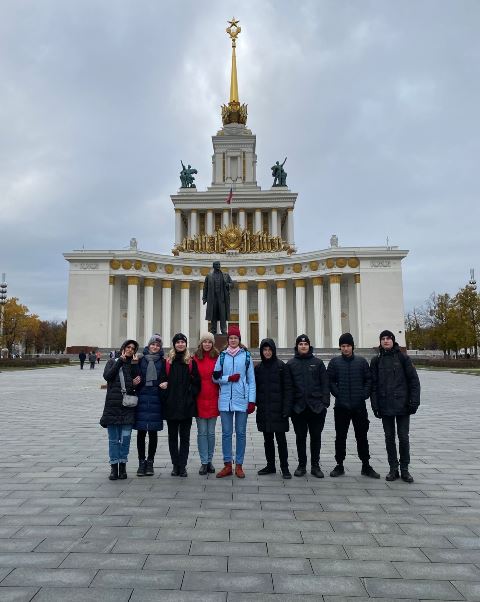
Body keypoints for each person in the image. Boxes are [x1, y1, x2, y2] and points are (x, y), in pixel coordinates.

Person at [370, 330, 421, 483]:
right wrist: (375, 405)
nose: (385, 341)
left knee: (403, 437)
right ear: (380, 342)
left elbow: (414, 381)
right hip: (385, 406)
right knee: (389, 438)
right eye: (383, 339)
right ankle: (393, 468)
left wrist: (414, 402)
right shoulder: (376, 360)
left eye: (388, 339)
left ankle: (405, 469)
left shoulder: (403, 358)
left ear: (393, 341)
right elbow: (373, 385)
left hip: (403, 405)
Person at [327, 333, 379, 479]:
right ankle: (339, 465)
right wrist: (338, 393)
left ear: (352, 347)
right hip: (341, 406)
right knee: (340, 437)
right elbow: (329, 380)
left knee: (362, 436)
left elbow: (369, 380)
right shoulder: (334, 363)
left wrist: (363, 394)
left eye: (348, 346)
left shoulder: (361, 362)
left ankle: (366, 465)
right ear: (340, 348)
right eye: (343, 346)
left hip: (359, 406)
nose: (345, 349)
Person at [213, 325, 256, 478]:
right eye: (231, 338)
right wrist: (228, 379)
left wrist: (252, 401)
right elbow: (215, 377)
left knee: (241, 433)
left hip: (242, 400)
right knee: (226, 433)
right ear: (228, 340)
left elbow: (251, 380)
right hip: (225, 401)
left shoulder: (246, 356)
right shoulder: (222, 356)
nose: (233, 340)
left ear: (239, 340)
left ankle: (239, 465)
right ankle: (227, 465)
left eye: (235, 338)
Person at [287, 334, 330, 478]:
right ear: (297, 346)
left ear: (309, 346)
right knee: (300, 438)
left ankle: (315, 466)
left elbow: (325, 384)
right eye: (300, 344)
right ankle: (301, 465)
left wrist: (325, 403)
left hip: (316, 408)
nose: (303, 346)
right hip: (298, 408)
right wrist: (291, 406)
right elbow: (288, 387)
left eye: (305, 344)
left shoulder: (318, 363)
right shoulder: (291, 364)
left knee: (316, 437)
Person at [100, 339, 141, 480]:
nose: (130, 350)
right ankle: (114, 467)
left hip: (127, 407)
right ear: (123, 348)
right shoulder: (112, 361)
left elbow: (137, 383)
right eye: (128, 347)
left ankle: (122, 465)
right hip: (113, 407)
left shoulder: (134, 364)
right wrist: (120, 362)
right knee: (113, 440)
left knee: (125, 439)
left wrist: (135, 373)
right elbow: (107, 376)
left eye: (133, 348)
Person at [163, 333, 200, 477]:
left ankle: (182, 466)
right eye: (177, 342)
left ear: (185, 344)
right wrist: (166, 396)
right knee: (172, 438)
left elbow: (197, 382)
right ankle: (175, 465)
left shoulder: (191, 362)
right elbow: (161, 381)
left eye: (182, 342)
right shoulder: (168, 362)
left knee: (185, 438)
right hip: (171, 406)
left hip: (186, 406)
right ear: (174, 344)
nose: (180, 344)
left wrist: (190, 396)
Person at [254, 338, 293, 479]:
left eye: (270, 349)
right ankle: (270, 465)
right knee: (267, 440)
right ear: (261, 351)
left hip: (279, 411)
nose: (267, 352)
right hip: (265, 410)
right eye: (265, 350)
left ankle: (285, 467)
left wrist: (287, 408)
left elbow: (288, 389)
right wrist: (257, 404)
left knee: (281, 440)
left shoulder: (281, 366)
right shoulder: (258, 368)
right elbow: (256, 389)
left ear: (273, 350)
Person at [134, 334, 165, 477]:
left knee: (153, 433)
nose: (155, 347)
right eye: (153, 344)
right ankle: (141, 462)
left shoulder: (163, 361)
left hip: (156, 399)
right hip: (141, 399)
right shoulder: (140, 360)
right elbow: (134, 376)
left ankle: (150, 462)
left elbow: (166, 377)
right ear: (148, 345)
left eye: (158, 345)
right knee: (141, 432)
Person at [194, 333, 220, 475]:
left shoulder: (217, 358)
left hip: (213, 398)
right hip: (199, 398)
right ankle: (203, 462)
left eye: (210, 342)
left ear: (213, 343)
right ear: (201, 343)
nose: (207, 344)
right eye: (205, 341)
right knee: (202, 432)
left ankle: (209, 461)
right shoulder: (195, 358)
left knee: (210, 433)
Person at [202, 261, 234, 335]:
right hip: (212, 299)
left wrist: (228, 285)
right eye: (217, 265)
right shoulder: (209, 276)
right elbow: (205, 288)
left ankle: (224, 330)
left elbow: (232, 284)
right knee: (213, 315)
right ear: (213, 266)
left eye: (219, 264)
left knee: (222, 315)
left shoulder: (225, 275)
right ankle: (213, 330)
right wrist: (204, 298)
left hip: (222, 299)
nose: (218, 266)